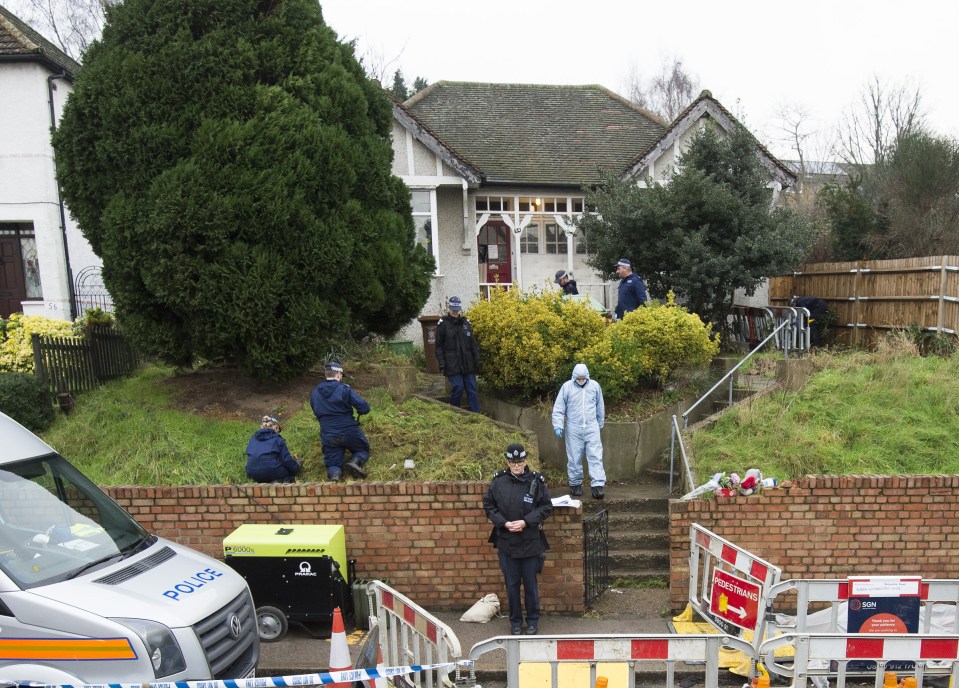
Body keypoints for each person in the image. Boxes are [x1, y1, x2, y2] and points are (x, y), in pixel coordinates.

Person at [483, 443, 552, 636]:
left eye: (520, 462)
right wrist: (503, 523)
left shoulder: (536, 481)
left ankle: (532, 621)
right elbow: (489, 506)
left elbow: (546, 507)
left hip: (530, 542)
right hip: (507, 542)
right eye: (513, 462)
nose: (516, 466)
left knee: (530, 585)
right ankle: (515, 622)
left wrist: (526, 521)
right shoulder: (498, 481)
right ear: (507, 462)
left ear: (525, 461)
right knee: (512, 586)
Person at [551, 363, 606, 500]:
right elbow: (559, 408)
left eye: (583, 378)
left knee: (595, 456)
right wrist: (558, 425)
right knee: (574, 457)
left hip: (591, 426)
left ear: (587, 377)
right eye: (578, 378)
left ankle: (598, 485)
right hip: (573, 427)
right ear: (574, 377)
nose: (581, 380)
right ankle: (575, 484)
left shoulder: (594, 386)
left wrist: (600, 422)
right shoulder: (567, 387)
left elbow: (600, 406)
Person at [309, 361, 371, 481]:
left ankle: (334, 478)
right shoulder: (344, 389)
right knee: (362, 449)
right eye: (341, 375)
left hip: (328, 434)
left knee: (333, 463)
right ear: (338, 374)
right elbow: (364, 407)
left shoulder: (315, 392)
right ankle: (354, 462)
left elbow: (315, 409)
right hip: (349, 430)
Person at [434, 296, 482, 413]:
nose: (455, 312)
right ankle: (455, 412)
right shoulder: (443, 325)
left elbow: (473, 345)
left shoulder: (465, 323)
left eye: (457, 309)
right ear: (449, 308)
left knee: (472, 389)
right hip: (452, 364)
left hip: (467, 363)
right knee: (458, 388)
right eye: (453, 309)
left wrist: (477, 360)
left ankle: (476, 416)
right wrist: (442, 363)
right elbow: (439, 347)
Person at [245, 415, 303, 483]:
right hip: (273, 471)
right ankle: (281, 482)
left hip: (252, 472)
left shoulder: (253, 438)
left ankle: (265, 481)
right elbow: (287, 460)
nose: (278, 432)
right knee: (288, 474)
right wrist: (296, 468)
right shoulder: (278, 439)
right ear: (276, 427)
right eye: (278, 430)